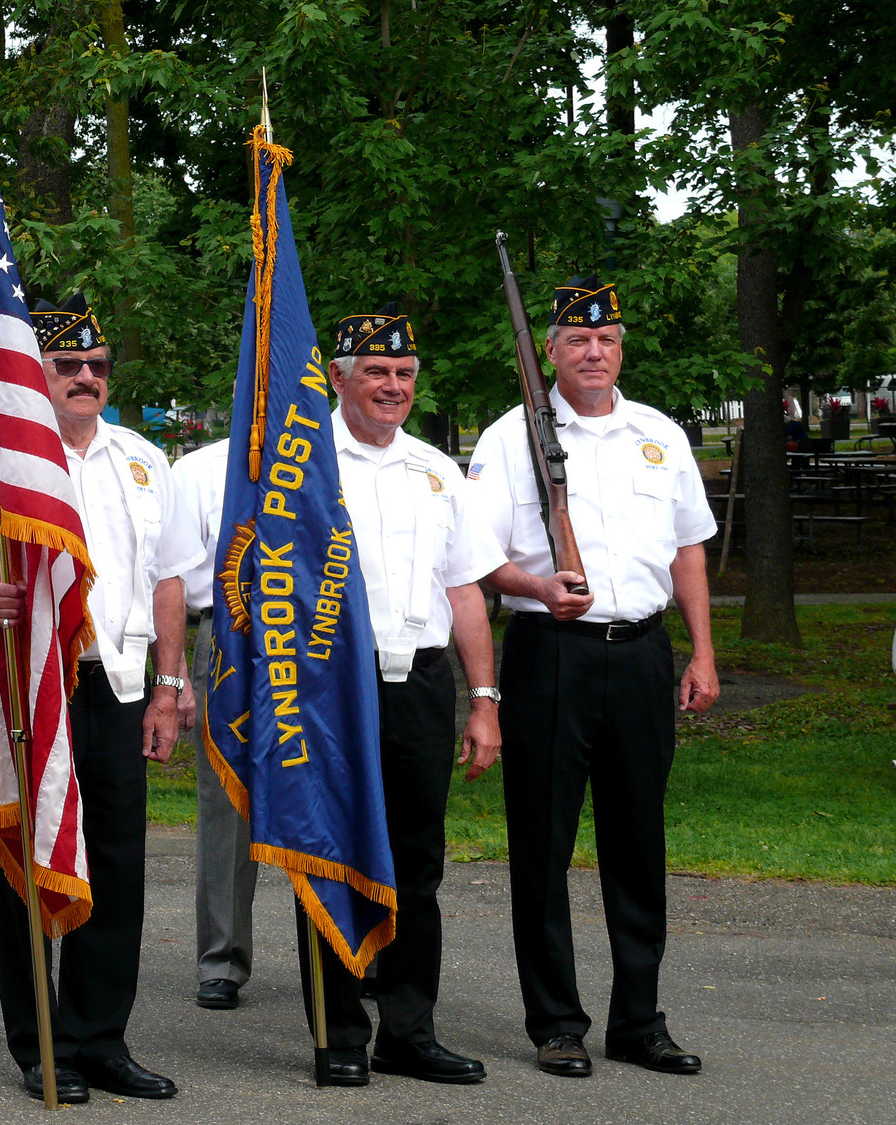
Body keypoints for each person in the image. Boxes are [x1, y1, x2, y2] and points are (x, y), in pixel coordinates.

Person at [0, 293, 199, 1105]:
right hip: (21, 678)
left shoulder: (144, 460)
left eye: (96, 366)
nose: (84, 377)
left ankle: (101, 1037)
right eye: (66, 364)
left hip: (118, 684)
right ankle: (42, 1041)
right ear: (32, 374)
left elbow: (170, 579)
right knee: (28, 860)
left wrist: (171, 686)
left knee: (116, 864)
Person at [468, 274, 719, 1079]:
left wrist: (701, 651)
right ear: (549, 352)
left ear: (621, 347)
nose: (594, 351)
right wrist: (537, 586)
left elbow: (688, 548)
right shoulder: (511, 437)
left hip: (642, 653)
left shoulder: (660, 434)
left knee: (639, 841)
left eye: (606, 339)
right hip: (551, 653)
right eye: (577, 340)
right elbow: (477, 559)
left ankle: (639, 1021)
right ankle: (557, 1022)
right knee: (543, 841)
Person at [292, 303, 509, 1088]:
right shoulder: (304, 468)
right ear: (339, 378)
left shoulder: (436, 469)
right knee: (331, 852)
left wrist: (483, 698)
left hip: (418, 680)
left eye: (405, 373)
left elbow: (466, 591)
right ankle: (339, 1031)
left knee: (419, 862)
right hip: (330, 686)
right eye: (376, 372)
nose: (392, 386)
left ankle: (409, 1030)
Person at [169, 437, 259, 1011]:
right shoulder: (199, 469)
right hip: (226, 638)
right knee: (225, 805)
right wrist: (173, 668)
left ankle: (353, 953)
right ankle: (221, 960)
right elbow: (170, 572)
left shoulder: (328, 461)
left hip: (317, 639)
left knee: (333, 795)